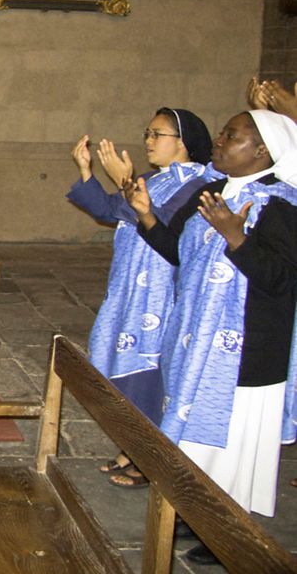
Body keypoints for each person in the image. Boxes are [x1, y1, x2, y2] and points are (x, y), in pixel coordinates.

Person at [125, 110, 297, 565]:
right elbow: (176, 251)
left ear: (261, 151)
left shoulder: (283, 206)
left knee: (232, 443)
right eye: (222, 134)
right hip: (193, 340)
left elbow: (281, 281)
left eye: (231, 136)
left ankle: (228, 528)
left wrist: (237, 239)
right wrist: (145, 216)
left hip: (244, 352)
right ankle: (191, 511)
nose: (219, 142)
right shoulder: (211, 191)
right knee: (194, 439)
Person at [66, 108, 212, 488]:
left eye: (157, 134)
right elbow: (110, 211)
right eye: (147, 132)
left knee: (150, 372)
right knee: (120, 363)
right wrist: (87, 172)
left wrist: (126, 181)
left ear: (183, 142)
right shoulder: (153, 178)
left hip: (162, 290)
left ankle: (152, 458)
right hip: (131, 286)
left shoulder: (201, 185)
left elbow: (162, 223)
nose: (148, 140)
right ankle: (134, 445)